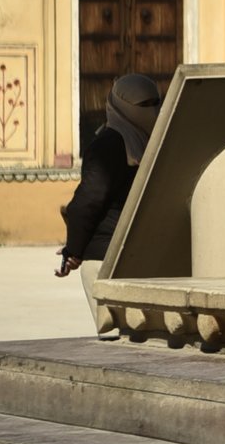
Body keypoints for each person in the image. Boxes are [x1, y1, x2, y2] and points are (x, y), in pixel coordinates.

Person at [56, 72, 162, 290]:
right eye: (144, 104)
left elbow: (88, 202)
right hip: (143, 256)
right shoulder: (160, 145)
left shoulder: (107, 146)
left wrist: (73, 250)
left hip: (105, 259)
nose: (150, 111)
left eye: (154, 103)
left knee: (113, 325)